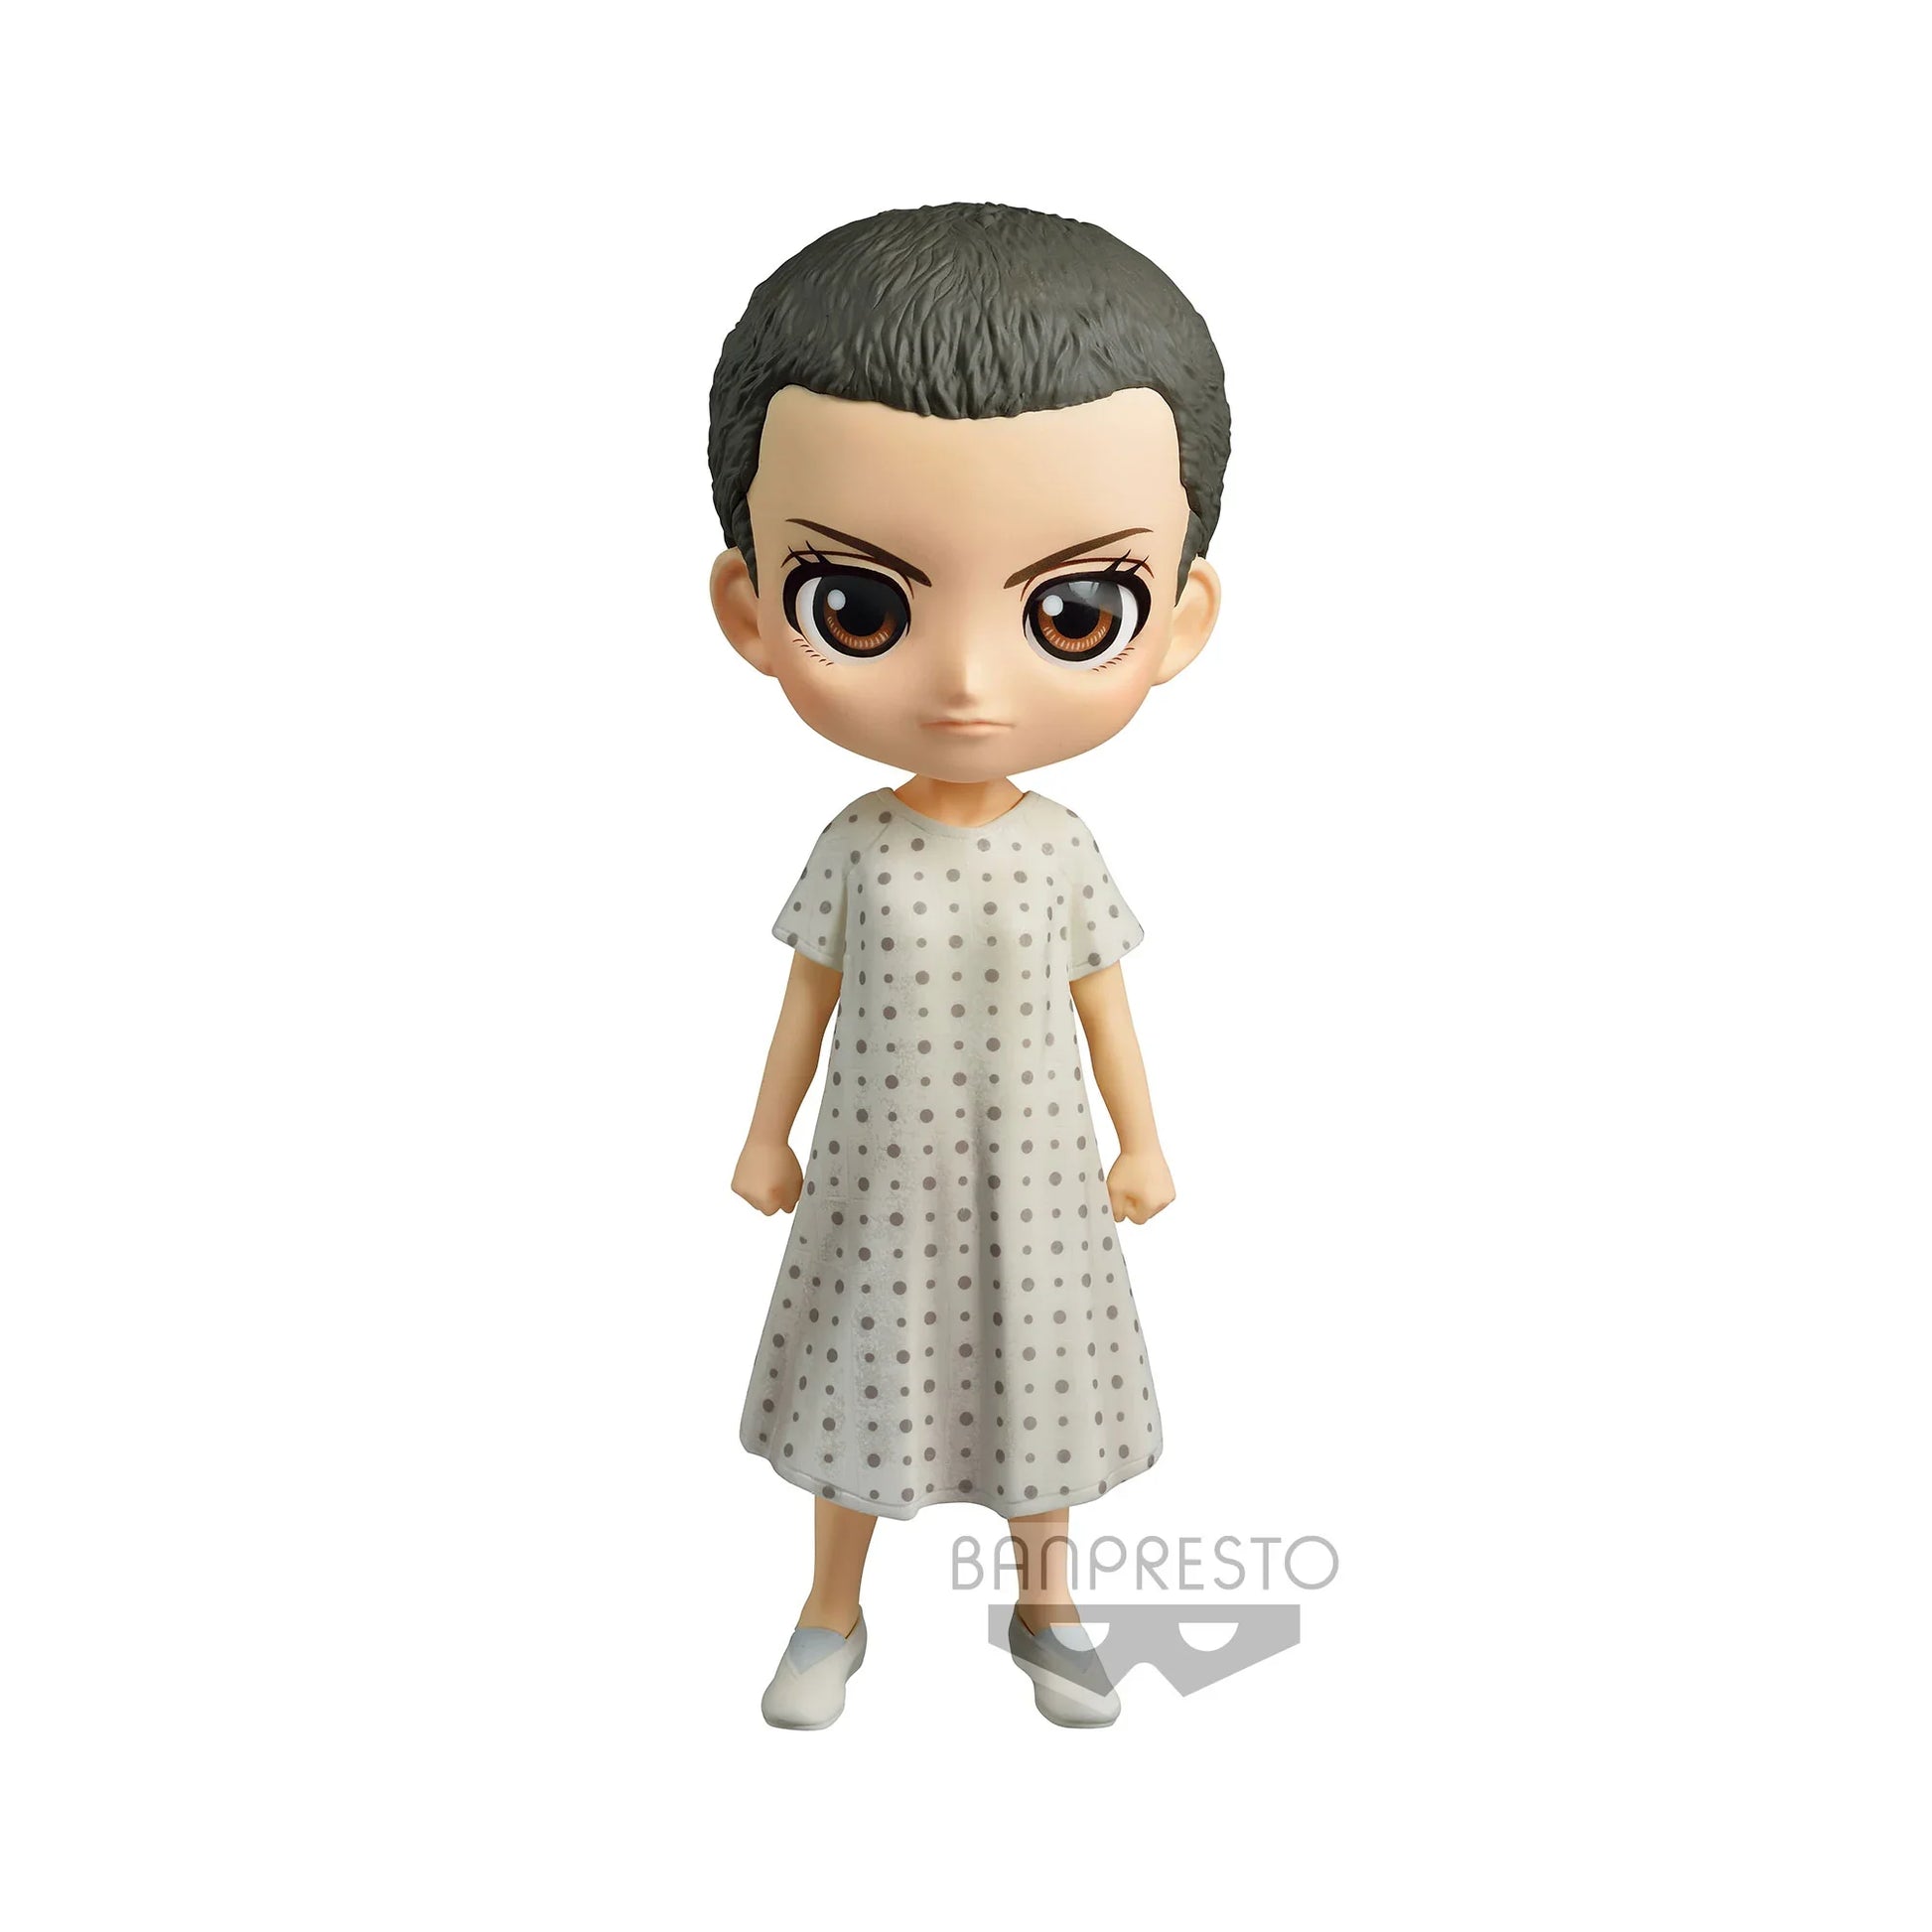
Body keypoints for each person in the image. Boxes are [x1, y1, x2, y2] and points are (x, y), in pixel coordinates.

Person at [706, 204, 1228, 1726]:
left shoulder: (1060, 847)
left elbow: (1102, 1000)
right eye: (859, 605)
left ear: (1177, 616)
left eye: (1072, 610)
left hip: (1034, 1176)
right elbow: (807, 996)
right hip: (875, 1173)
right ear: (751, 606)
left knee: (1036, 1391)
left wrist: (1141, 1137)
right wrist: (765, 1131)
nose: (966, 681)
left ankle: (1047, 1605)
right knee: (857, 1387)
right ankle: (829, 1609)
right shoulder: (855, 845)